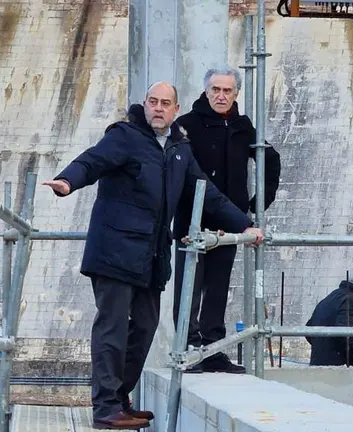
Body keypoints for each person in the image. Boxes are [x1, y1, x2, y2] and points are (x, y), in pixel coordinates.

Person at [42, 81, 264, 430]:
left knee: (144, 329)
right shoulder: (125, 137)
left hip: (151, 257)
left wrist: (244, 225)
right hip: (114, 251)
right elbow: (92, 161)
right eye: (152, 101)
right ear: (144, 104)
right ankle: (105, 408)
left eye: (165, 103)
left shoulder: (179, 149)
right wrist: (67, 181)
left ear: (176, 110)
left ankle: (119, 398)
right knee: (111, 330)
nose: (158, 108)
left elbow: (208, 194)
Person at [171, 66, 281, 374]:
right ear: (206, 91)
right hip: (192, 223)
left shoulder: (243, 127)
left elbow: (271, 160)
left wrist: (258, 205)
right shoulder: (185, 126)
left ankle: (213, 350)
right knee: (188, 289)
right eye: (215, 90)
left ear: (236, 94)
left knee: (218, 289)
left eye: (227, 91)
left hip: (231, 223)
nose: (221, 95)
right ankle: (189, 350)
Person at [305, 270, 353, 366]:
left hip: (318, 367)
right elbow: (344, 334)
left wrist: (325, 348)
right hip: (342, 372)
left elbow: (309, 329)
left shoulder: (330, 298)